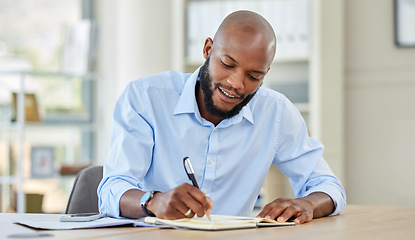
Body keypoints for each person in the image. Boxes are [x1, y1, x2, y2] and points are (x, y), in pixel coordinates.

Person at [98, 10, 346, 225]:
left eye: (254, 76)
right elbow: (112, 189)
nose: (236, 83)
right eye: (227, 64)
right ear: (208, 49)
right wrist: (153, 201)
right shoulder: (146, 98)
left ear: (266, 73)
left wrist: (308, 204)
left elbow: (328, 186)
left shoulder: (276, 112)